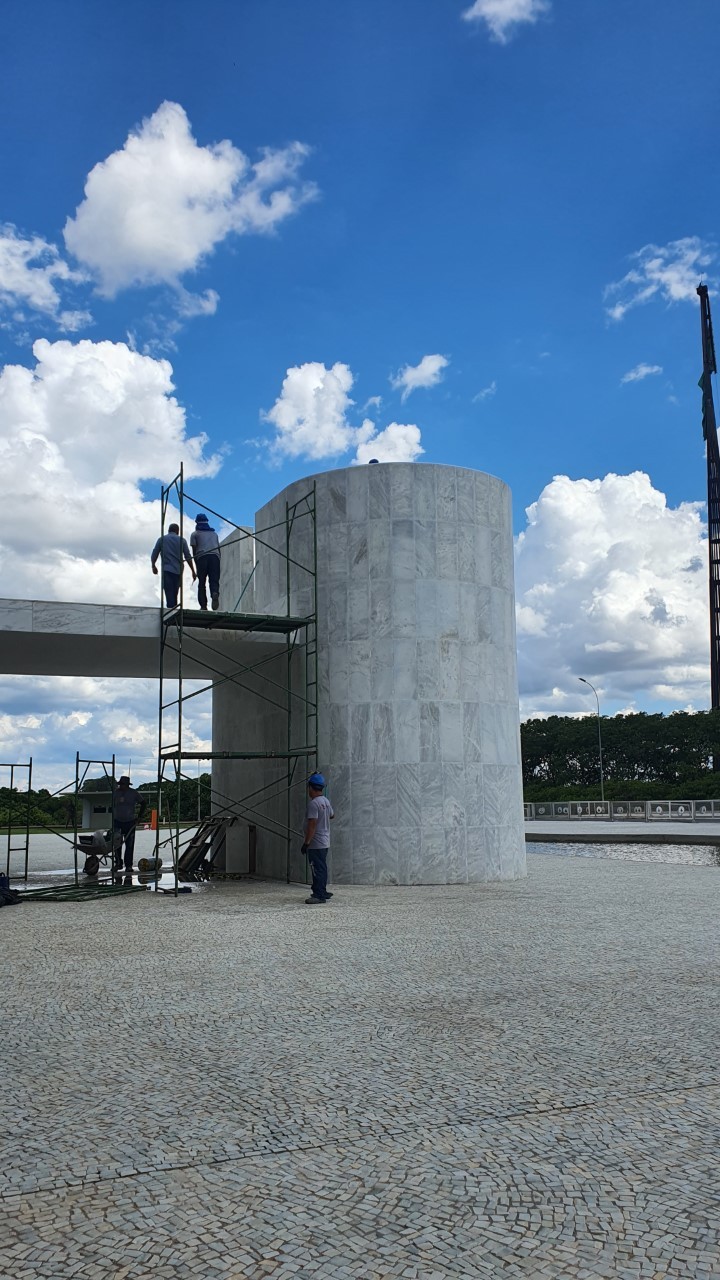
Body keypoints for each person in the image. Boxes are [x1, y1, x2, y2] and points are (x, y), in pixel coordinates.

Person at [302, 772, 334, 904]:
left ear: (311, 787)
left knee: (316, 868)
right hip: (325, 841)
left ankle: (319, 895)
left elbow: (312, 824)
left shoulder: (314, 804)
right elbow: (332, 815)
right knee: (322, 867)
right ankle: (322, 890)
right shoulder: (325, 801)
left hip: (316, 842)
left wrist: (306, 842)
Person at [151, 523, 196, 609]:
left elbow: (155, 553)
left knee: (169, 593)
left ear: (168, 530)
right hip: (178, 571)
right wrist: (193, 571)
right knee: (175, 593)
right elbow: (188, 556)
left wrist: (153, 565)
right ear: (177, 531)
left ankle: (171, 612)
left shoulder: (162, 539)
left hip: (167, 570)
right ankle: (174, 611)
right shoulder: (182, 540)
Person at [113, 776, 147, 873]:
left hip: (130, 822)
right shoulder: (116, 793)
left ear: (127, 785)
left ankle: (128, 865)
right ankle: (118, 863)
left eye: (122, 784)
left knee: (129, 845)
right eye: (119, 784)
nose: (120, 786)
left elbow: (143, 803)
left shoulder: (134, 793)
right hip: (117, 822)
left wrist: (139, 816)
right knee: (117, 844)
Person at [190, 513, 221, 611]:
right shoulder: (214, 534)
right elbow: (219, 549)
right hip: (215, 557)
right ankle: (214, 593)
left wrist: (196, 564)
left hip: (202, 557)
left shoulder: (195, 534)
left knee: (202, 582)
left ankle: (203, 606)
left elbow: (194, 551)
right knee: (214, 580)